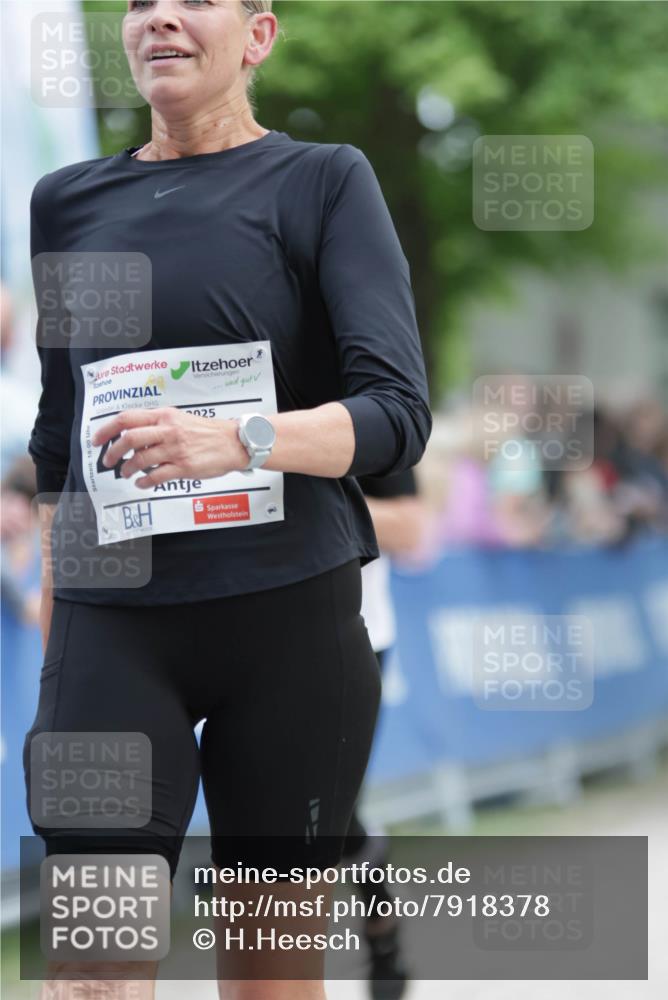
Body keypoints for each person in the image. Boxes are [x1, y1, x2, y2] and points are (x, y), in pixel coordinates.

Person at [22, 3, 431, 999]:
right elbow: (59, 420)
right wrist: (52, 580)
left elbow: (395, 413)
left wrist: (239, 439)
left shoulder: (321, 180)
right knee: (93, 961)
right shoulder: (68, 199)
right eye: (138, 2)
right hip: (114, 621)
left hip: (287, 620)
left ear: (257, 35)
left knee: (266, 967)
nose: (159, 15)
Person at [342, 468, 424, 1000]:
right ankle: (369, 851)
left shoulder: (369, 402)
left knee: (332, 804)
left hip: (358, 635)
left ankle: (381, 936)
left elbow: (413, 531)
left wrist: (312, 506)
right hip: (251, 639)